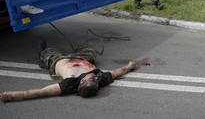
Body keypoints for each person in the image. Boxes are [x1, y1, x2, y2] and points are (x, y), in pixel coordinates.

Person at [0, 40, 136, 102]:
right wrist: (130, 66)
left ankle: (43, 56)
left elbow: (38, 92)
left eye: (92, 79)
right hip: (81, 58)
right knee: (91, 51)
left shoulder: (68, 85)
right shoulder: (101, 79)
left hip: (58, 60)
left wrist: (11, 95)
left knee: (48, 54)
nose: (95, 78)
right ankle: (79, 52)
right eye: (95, 81)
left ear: (82, 81)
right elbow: (118, 71)